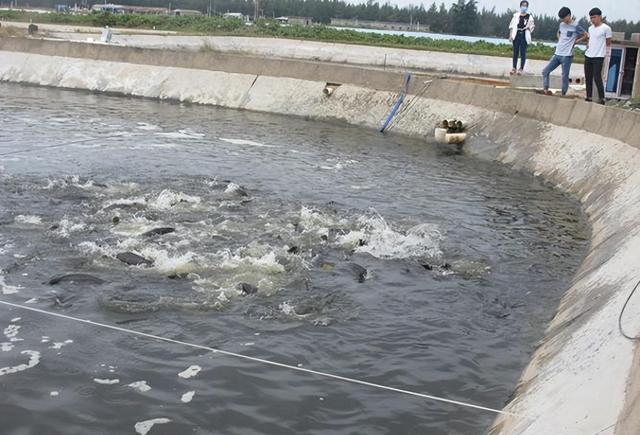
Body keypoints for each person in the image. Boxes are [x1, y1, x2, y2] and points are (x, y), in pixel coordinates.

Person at [541, 7, 587, 96]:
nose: (563, 20)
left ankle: (563, 94)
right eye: (561, 18)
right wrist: (560, 39)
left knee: (564, 75)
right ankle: (546, 90)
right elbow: (558, 32)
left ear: (569, 15)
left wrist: (576, 42)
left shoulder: (576, 25)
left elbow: (586, 35)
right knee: (545, 71)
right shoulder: (561, 25)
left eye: (564, 17)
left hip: (567, 55)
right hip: (557, 53)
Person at [583, 7, 612, 104]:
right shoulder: (590, 28)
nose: (592, 20)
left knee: (597, 76)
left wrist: (605, 53)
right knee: (588, 76)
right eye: (591, 18)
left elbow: (608, 42)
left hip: (599, 56)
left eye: (594, 17)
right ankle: (589, 96)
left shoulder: (606, 28)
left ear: (600, 17)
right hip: (588, 55)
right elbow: (590, 39)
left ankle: (602, 98)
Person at [509, 1, 535, 75]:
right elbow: (511, 26)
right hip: (516, 34)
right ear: (520, 6)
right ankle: (514, 68)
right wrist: (511, 35)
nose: (524, 7)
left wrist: (528, 28)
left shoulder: (529, 17)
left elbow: (532, 26)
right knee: (515, 52)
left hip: (524, 34)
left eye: (526, 6)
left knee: (523, 52)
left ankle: (521, 68)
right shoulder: (516, 15)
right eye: (523, 5)